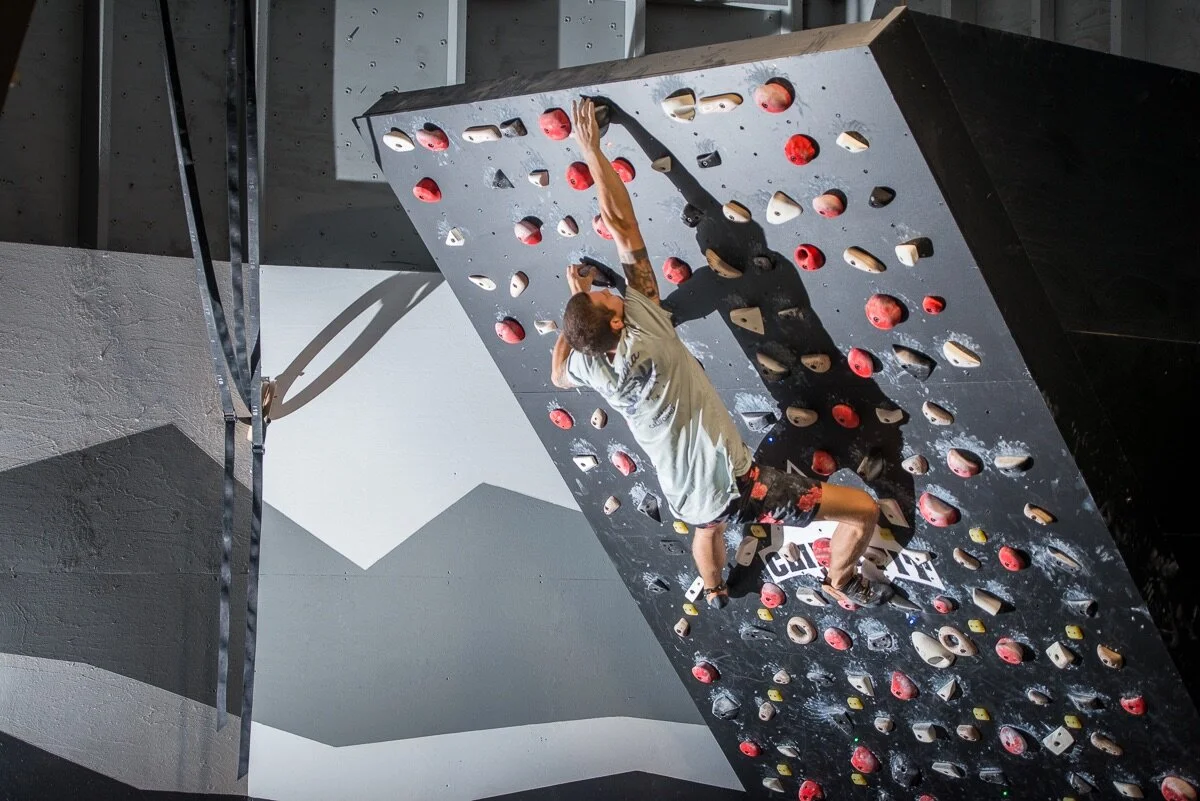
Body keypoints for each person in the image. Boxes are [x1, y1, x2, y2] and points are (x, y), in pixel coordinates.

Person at [550, 99, 883, 609]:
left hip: (683, 490)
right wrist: (591, 150)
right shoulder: (649, 328)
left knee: (705, 527)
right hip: (741, 488)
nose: (613, 289)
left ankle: (713, 590)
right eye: (606, 296)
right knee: (862, 509)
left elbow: (557, 374)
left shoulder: (594, 367)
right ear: (618, 321)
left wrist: (576, 308)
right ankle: (840, 582)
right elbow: (623, 226)